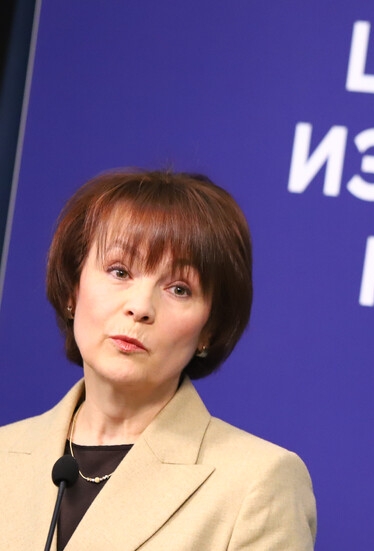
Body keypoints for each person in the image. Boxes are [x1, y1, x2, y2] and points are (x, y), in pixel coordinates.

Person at [0, 169, 316, 550]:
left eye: (179, 289)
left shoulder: (258, 484)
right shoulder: (5, 453)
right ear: (72, 289)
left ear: (209, 329)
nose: (140, 307)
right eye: (120, 271)